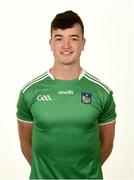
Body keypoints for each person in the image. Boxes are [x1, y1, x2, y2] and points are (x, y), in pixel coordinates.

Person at [16, 10, 117, 179]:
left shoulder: (101, 92)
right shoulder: (30, 92)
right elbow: (26, 144)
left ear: (83, 43)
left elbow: (106, 145)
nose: (66, 46)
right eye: (59, 38)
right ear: (51, 43)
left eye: (74, 38)